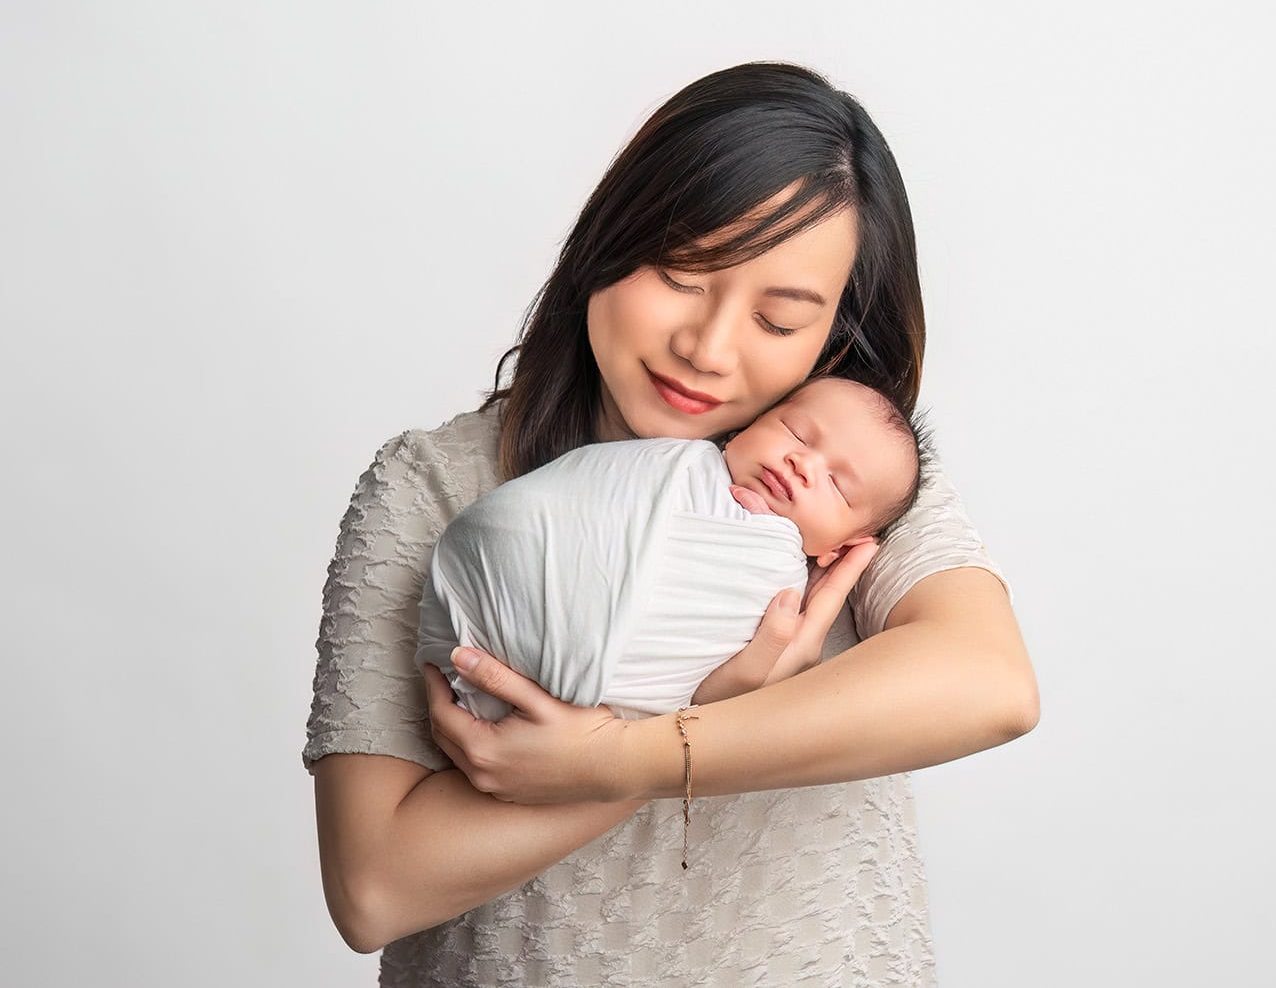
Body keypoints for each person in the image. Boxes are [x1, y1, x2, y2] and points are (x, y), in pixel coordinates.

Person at [304, 60, 1039, 985]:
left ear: (832, 338)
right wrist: (701, 715)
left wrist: (634, 754)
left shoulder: (832, 478)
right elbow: (376, 887)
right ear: (607, 240)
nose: (708, 346)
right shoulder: (432, 486)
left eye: (779, 320)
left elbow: (991, 683)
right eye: (683, 272)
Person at [415, 375, 928, 723]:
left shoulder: (782, 585)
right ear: (746, 427)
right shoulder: (674, 462)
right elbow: (579, 497)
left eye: (838, 485)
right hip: (484, 579)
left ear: (841, 548)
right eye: (795, 432)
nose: (803, 464)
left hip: (579, 704)